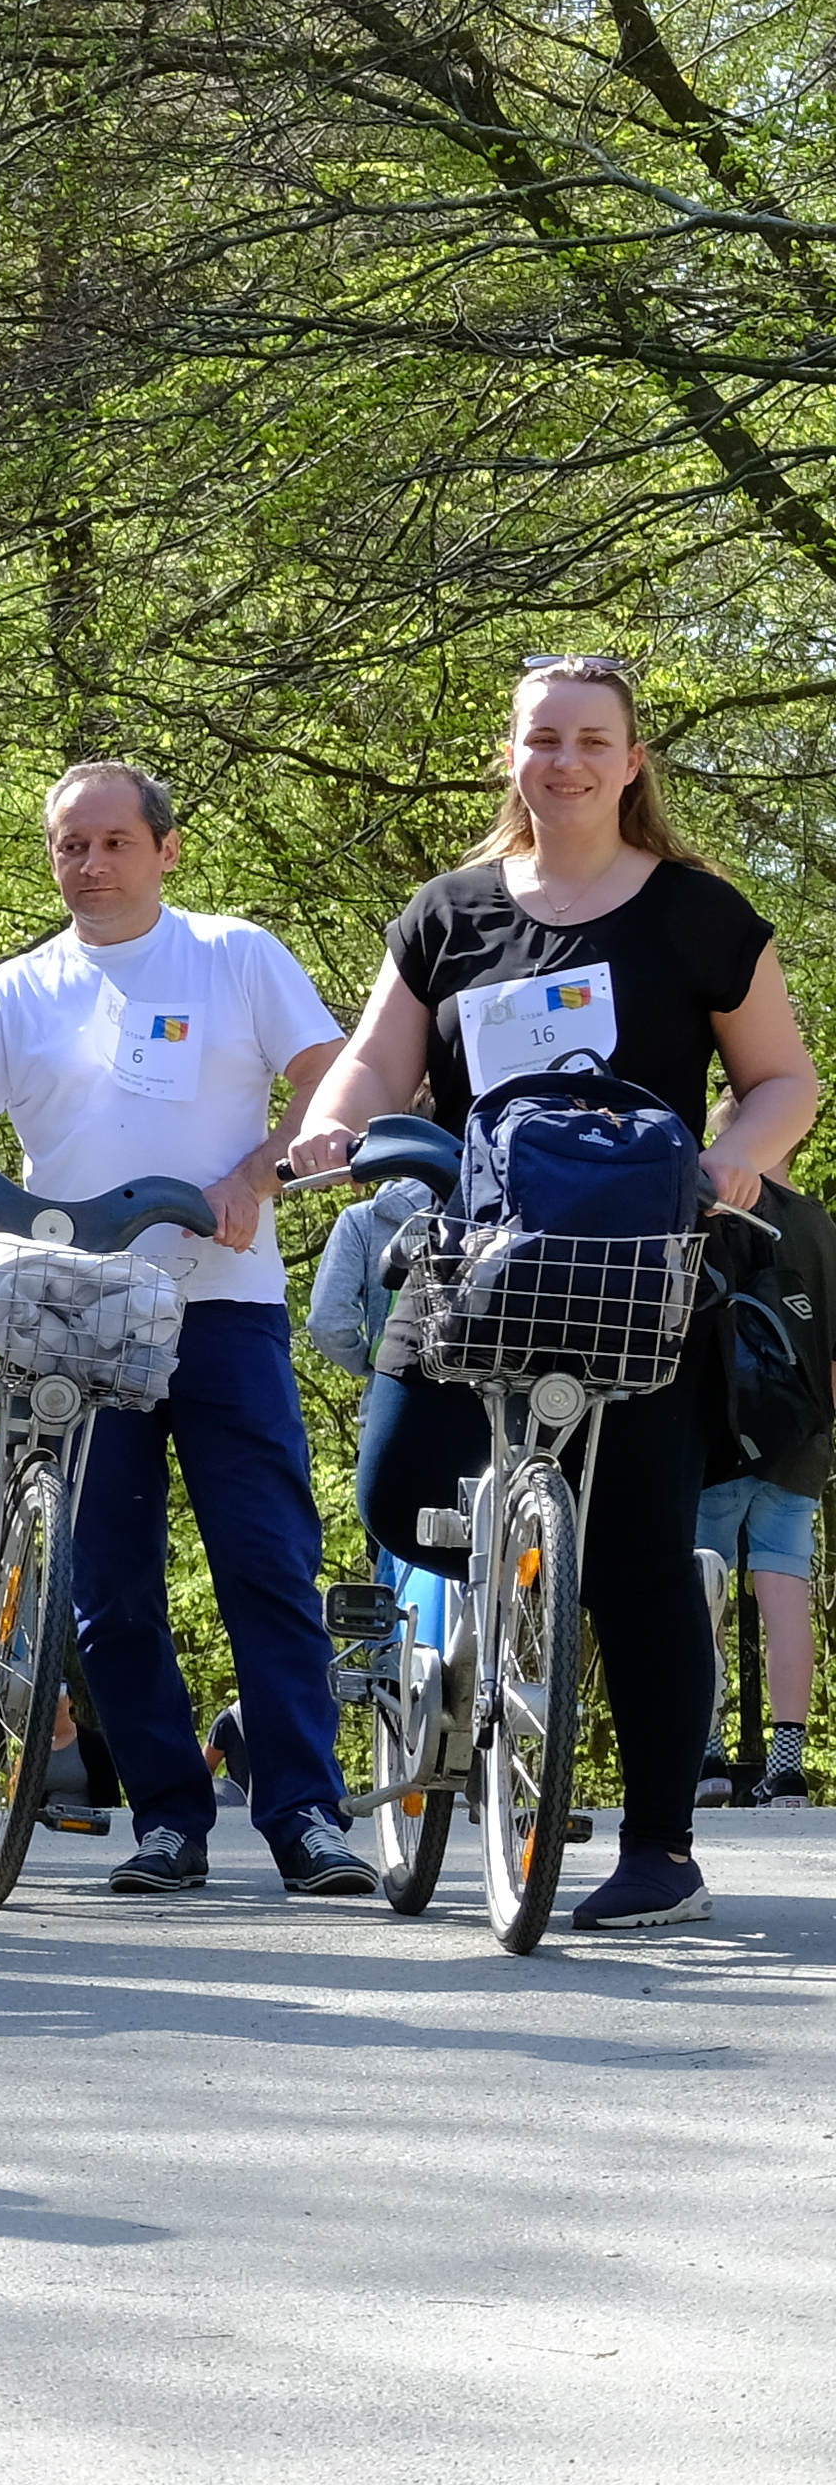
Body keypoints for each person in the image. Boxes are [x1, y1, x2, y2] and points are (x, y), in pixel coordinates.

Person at [275, 651, 819, 1932]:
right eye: (540, 739)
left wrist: (735, 1163)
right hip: (477, 1259)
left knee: (635, 1560)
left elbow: (785, 1078)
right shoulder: (450, 912)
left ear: (631, 762)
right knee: (399, 1492)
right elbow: (372, 1066)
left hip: (640, 1268)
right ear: (511, 756)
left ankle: (660, 1847)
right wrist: (332, 1132)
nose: (563, 761)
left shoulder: (699, 912)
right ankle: (497, 1617)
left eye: (590, 739)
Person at [0, 760, 359, 1898]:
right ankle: (169, 1817)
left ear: (166, 849)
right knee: (107, 1584)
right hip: (73, 1320)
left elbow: (334, 1076)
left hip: (222, 1302)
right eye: (68, 846)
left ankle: (304, 1815)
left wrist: (259, 1172)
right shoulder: (16, 990)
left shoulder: (234, 955)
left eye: (113, 843)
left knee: (265, 1562)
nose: (89, 865)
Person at [700, 1164, 834, 1803]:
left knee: (703, 1597)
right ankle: (786, 1764)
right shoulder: (818, 1224)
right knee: (787, 1596)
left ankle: (707, 1756)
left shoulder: (705, 1206)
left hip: (720, 1435)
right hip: (799, 1435)